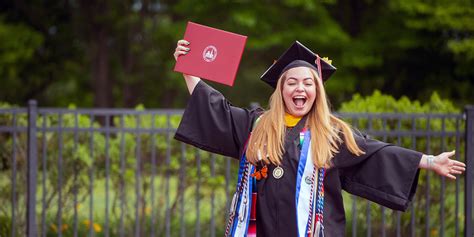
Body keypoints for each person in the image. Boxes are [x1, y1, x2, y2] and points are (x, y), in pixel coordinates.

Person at [172, 39, 466, 237]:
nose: (300, 88)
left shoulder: (330, 134)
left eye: (308, 82)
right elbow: (216, 110)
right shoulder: (256, 125)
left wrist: (429, 161)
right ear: (281, 90)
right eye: (292, 82)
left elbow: (375, 152)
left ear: (317, 91)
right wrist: (188, 69)